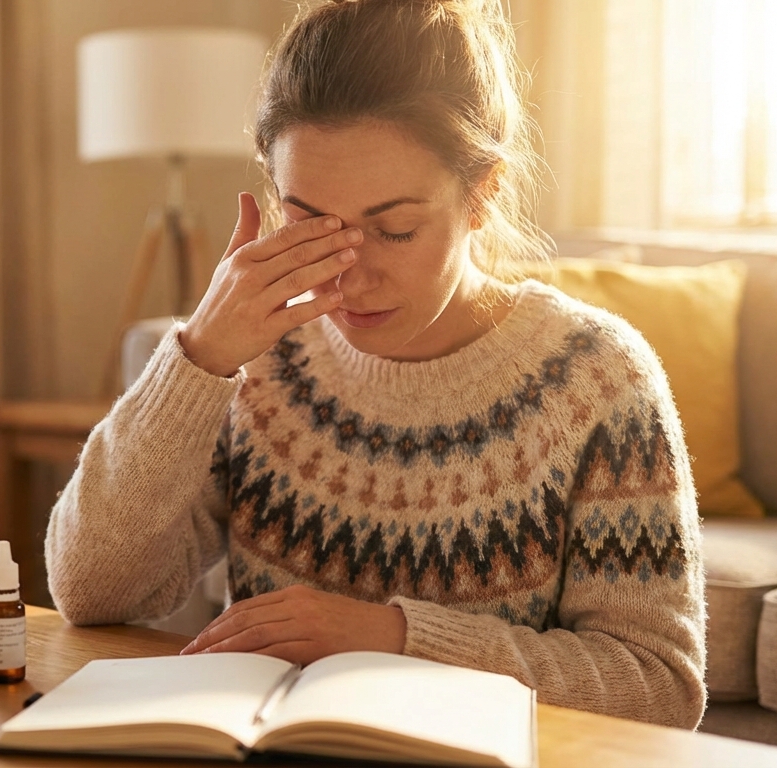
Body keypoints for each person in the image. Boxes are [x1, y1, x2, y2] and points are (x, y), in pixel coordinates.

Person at [46, 0, 706, 730]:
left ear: (482, 193)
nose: (350, 278)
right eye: (309, 225)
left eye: (393, 230)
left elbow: (660, 685)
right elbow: (91, 591)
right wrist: (197, 359)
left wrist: (392, 638)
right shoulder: (256, 363)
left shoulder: (597, 380)